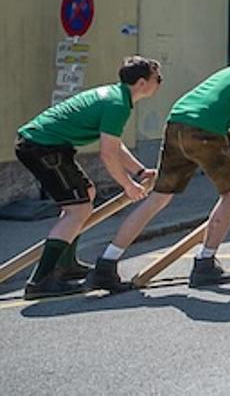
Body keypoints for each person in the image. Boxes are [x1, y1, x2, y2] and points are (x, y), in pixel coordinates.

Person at [90, 32, 230, 291]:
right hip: (206, 131)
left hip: (177, 122)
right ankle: (205, 264)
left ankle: (106, 265)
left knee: (158, 198)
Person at [14, 57, 163, 299]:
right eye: (158, 78)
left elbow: (114, 144)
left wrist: (139, 171)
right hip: (42, 147)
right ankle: (40, 281)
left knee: (86, 194)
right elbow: (107, 153)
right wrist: (128, 186)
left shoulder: (116, 97)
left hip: (47, 145)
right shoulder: (117, 104)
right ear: (142, 83)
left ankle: (66, 265)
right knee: (79, 208)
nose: (160, 83)